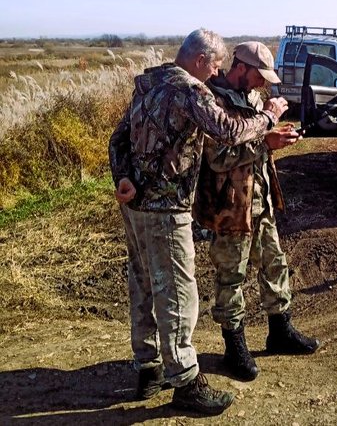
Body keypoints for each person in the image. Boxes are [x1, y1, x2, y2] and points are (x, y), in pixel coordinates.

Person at [108, 29, 288, 415]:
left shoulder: (150, 83)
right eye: (217, 64)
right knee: (176, 295)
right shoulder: (191, 89)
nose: (218, 71)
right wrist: (269, 119)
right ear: (202, 60)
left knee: (142, 286)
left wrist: (123, 177)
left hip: (136, 207)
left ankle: (149, 369)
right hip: (165, 210)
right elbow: (228, 131)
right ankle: (187, 382)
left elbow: (118, 139)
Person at [193, 41, 320, 382]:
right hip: (230, 206)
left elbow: (256, 144)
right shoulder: (212, 101)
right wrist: (264, 142)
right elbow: (217, 158)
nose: (262, 84)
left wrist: (275, 137)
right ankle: (234, 346)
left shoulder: (253, 100)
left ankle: (280, 331)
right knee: (231, 275)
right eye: (258, 76)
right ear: (241, 68)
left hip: (259, 200)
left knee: (275, 264)